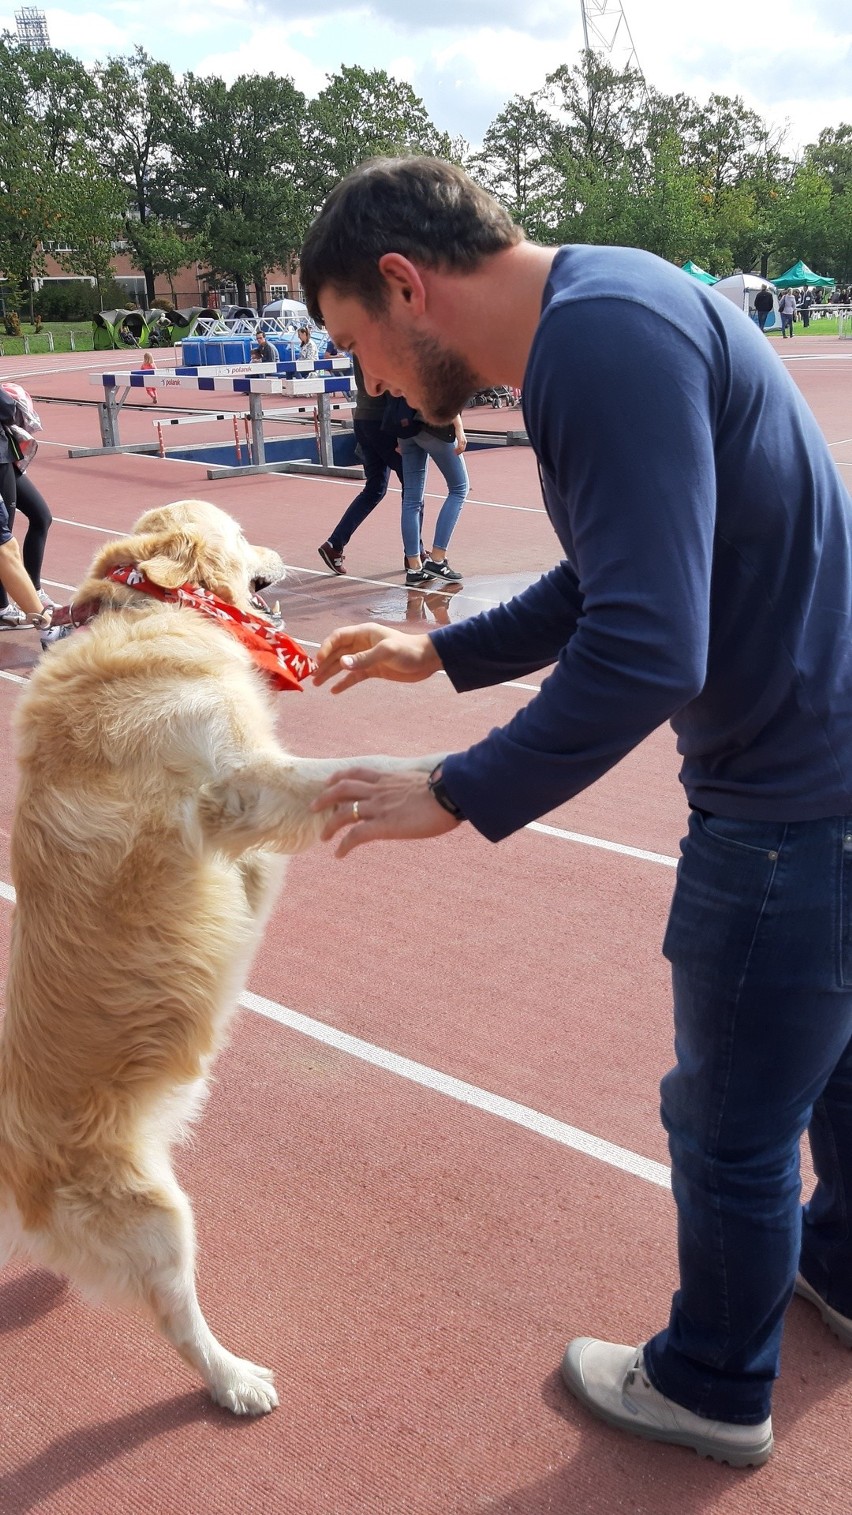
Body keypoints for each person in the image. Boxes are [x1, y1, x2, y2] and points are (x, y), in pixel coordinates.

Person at [300, 155, 852, 1469]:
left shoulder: (594, 348)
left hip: (787, 804)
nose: (368, 383)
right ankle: (840, 1267)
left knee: (728, 1124)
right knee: (833, 1061)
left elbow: (648, 642)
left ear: (403, 283)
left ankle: (712, 1382)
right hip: (833, 771)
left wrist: (458, 787)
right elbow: (615, 570)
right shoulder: (623, 301)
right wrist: (438, 653)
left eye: (354, 345)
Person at [317, 355, 405, 575]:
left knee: (375, 488)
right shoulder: (382, 340)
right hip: (383, 420)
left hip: (363, 417)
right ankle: (415, 554)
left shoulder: (360, 343)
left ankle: (334, 544)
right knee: (413, 486)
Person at [0, 389, 58, 646]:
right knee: (4, 543)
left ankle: (33, 590)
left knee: (41, 516)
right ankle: (4, 609)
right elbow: (6, 408)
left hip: (6, 454)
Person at [397, 409, 469, 585]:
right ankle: (437, 559)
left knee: (412, 499)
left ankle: (414, 568)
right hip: (434, 427)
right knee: (459, 489)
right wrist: (459, 428)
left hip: (405, 428)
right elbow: (446, 398)